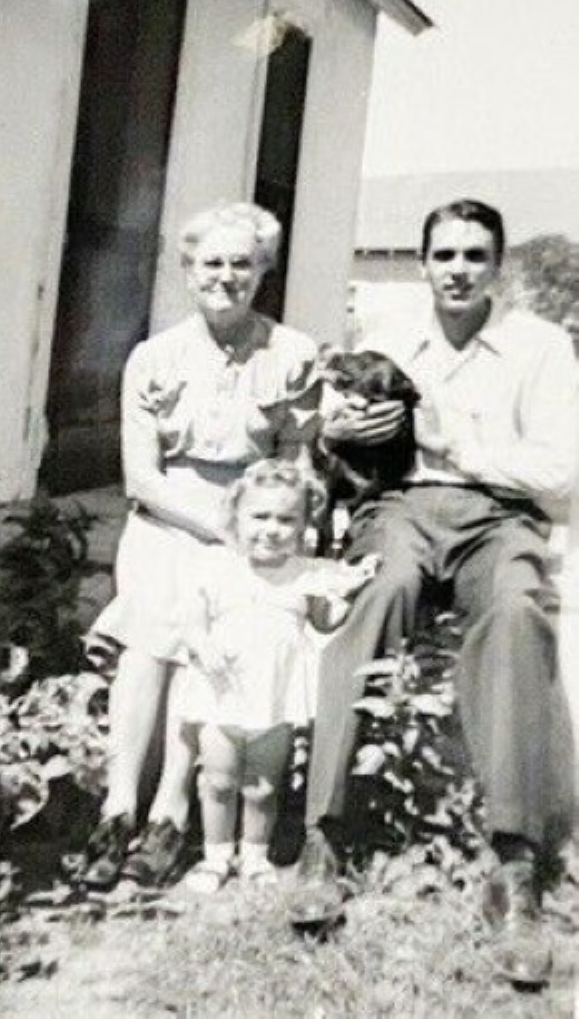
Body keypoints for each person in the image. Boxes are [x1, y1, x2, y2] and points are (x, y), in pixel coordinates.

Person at [294, 200, 578, 984]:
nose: (457, 269)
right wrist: (339, 435)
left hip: (499, 516)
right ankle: (325, 838)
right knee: (380, 593)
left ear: (499, 264)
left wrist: (459, 445)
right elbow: (329, 437)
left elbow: (559, 474)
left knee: (519, 613)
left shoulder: (541, 347)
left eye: (474, 255)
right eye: (443, 254)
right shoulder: (386, 337)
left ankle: (513, 866)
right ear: (422, 262)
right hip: (401, 510)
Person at [81, 203, 320, 890]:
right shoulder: (153, 358)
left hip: (252, 528)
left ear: (263, 272)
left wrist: (255, 532)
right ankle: (119, 808)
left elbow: (297, 463)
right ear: (187, 272)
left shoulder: (294, 355)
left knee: (207, 627)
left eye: (242, 263)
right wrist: (214, 524)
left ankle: (171, 811)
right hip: (165, 517)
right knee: (154, 626)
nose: (227, 276)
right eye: (211, 263)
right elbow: (142, 477)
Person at [173, 459, 377, 894]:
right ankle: (215, 855)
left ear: (304, 524)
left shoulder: (306, 573)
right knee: (218, 779)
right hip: (221, 692)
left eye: (287, 519)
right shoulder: (217, 566)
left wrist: (349, 591)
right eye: (260, 517)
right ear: (236, 518)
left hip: (276, 695)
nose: (272, 529)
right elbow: (191, 622)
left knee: (263, 786)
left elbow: (325, 622)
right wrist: (204, 648)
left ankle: (254, 854)